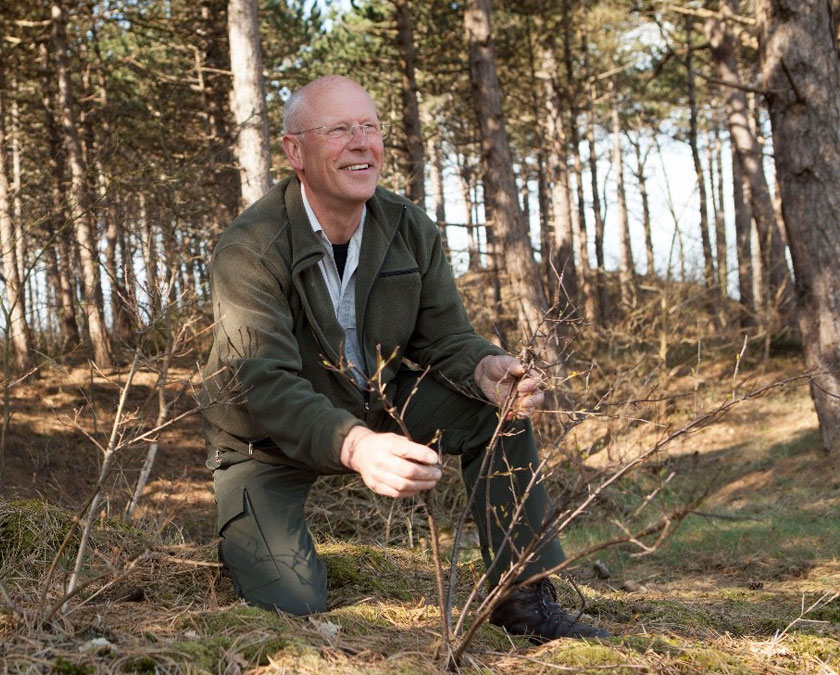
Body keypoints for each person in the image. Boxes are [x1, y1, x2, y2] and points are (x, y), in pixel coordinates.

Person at [201, 75, 609, 642]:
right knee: (290, 605)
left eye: (369, 127)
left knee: (500, 412)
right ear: (295, 150)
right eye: (339, 129)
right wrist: (355, 445)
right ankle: (248, 543)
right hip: (266, 442)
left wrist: (485, 368)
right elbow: (264, 382)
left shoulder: (407, 226)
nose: (361, 142)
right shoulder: (251, 247)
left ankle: (525, 596)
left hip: (378, 406)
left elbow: (445, 339)